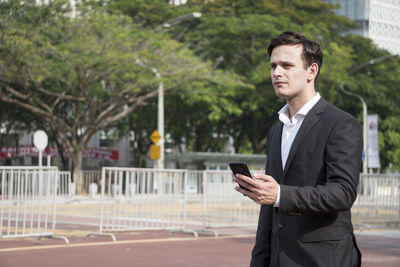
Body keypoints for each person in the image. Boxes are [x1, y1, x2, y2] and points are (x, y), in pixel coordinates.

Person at [233, 31, 363, 267]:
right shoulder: (276, 130)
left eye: (286, 65)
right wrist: (259, 260)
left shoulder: (340, 124)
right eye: (273, 66)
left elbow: (343, 192)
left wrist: (280, 195)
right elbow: (268, 212)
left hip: (324, 259)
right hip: (278, 258)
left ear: (311, 71)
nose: (276, 73)